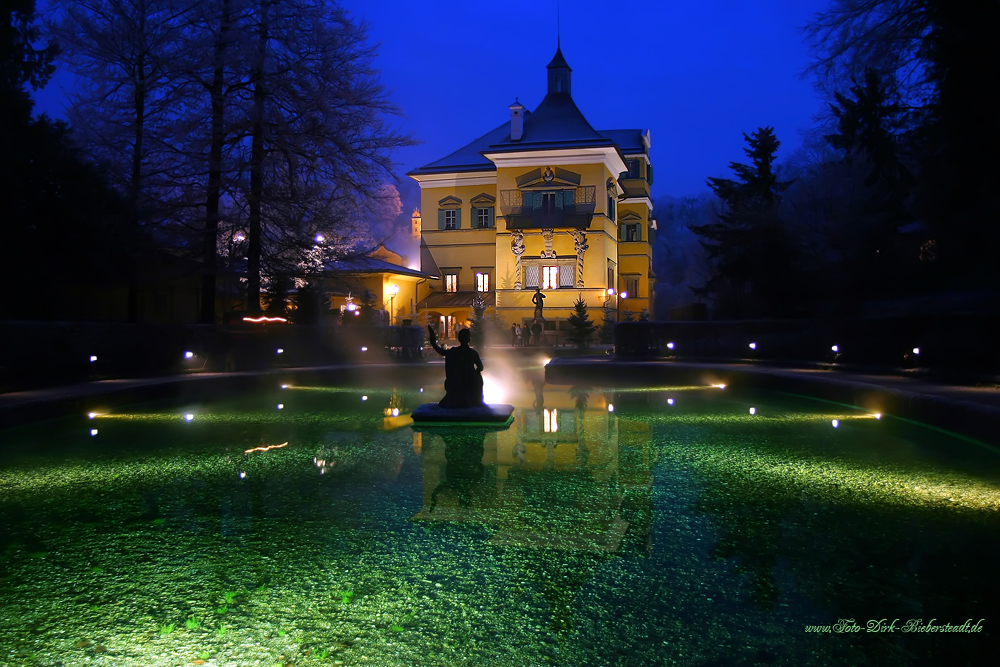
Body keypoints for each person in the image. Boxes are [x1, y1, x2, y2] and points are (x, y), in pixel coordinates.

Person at [427, 326, 484, 408]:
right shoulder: (473, 353)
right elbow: (481, 368)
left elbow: (439, 350)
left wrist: (432, 338)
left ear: (459, 339)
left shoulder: (453, 352)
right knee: (477, 376)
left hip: (456, 381)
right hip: (470, 382)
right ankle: (474, 400)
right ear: (469, 339)